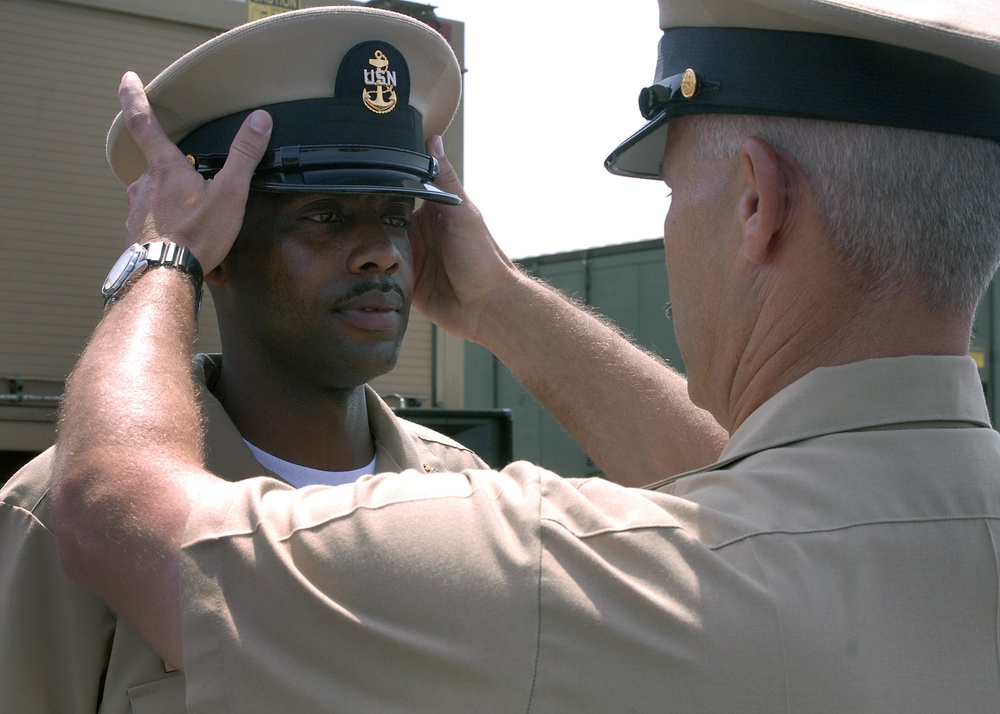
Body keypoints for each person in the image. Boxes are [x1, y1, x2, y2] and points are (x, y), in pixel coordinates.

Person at [50, 0, 1000, 710]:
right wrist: (497, 301)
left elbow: (119, 515)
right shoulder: (27, 525)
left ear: (756, 202)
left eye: (671, 193)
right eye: (329, 215)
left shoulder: (532, 554)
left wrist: (159, 256)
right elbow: (760, 497)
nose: (383, 249)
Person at [0, 7, 501, 713]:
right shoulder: (59, 517)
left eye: (395, 214)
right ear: (219, 248)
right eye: (324, 215)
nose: (383, 251)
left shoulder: (466, 494)